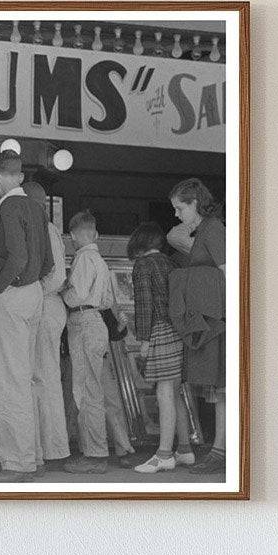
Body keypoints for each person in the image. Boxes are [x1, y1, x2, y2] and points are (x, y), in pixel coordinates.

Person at [0, 150, 54, 481]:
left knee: (8, 381)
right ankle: (35, 455)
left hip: (13, 295)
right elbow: (48, 263)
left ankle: (18, 461)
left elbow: (17, 255)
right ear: (21, 177)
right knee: (26, 378)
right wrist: (29, 282)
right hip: (35, 294)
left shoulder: (9, 207)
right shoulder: (36, 208)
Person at [168, 177, 227, 475]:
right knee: (220, 387)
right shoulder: (206, 228)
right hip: (214, 317)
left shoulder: (213, 229)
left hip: (220, 319)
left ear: (194, 203)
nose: (177, 215)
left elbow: (230, 273)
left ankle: (220, 451)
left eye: (180, 208)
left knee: (223, 387)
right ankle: (219, 448)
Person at [126, 222, 194, 474]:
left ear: (139, 243)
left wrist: (143, 340)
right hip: (178, 329)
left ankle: (164, 455)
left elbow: (144, 305)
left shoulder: (143, 265)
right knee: (175, 392)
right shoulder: (170, 263)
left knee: (164, 392)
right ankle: (185, 449)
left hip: (159, 330)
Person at [61, 210, 120, 475]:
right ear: (95, 233)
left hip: (83, 321)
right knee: (93, 388)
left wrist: (62, 290)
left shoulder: (83, 259)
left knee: (86, 391)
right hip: (97, 322)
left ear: (73, 235)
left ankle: (94, 455)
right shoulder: (100, 260)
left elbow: (77, 295)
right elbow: (108, 300)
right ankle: (96, 450)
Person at [24, 181, 71, 471]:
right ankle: (49, 448)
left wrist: (30, 288)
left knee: (43, 378)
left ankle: (51, 449)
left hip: (46, 305)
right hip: (47, 306)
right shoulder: (46, 228)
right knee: (43, 377)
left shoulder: (46, 230)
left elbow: (55, 278)